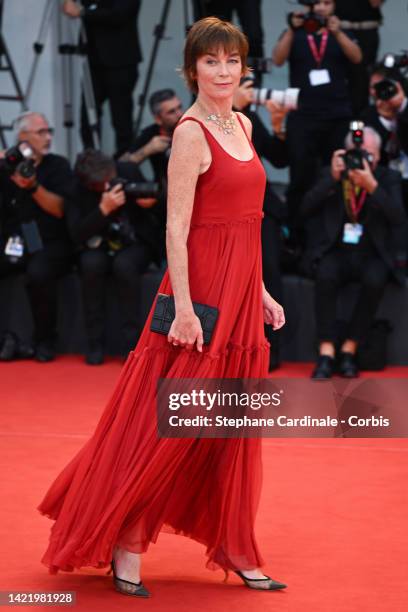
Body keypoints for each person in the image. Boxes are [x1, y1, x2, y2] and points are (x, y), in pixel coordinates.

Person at [38, 17, 286, 596]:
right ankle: (126, 542)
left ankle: (236, 547)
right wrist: (183, 308)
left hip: (242, 290)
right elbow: (178, 228)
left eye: (232, 61)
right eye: (212, 62)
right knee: (170, 426)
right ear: (191, 69)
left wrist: (264, 290)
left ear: (243, 67)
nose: (224, 72)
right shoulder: (191, 132)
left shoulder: (244, 124)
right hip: (198, 296)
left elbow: (248, 226)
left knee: (228, 427)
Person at [299, 127, 406, 379]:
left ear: (379, 156)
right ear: (346, 154)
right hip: (337, 250)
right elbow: (304, 209)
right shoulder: (333, 175)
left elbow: (399, 218)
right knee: (324, 273)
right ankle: (326, 351)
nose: (363, 160)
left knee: (375, 279)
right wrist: (332, 179)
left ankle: (350, 348)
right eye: (357, 154)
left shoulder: (387, 177)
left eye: (369, 154)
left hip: (373, 252)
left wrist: (373, 187)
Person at [272, 0, 362, 241]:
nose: (321, 8)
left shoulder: (340, 31)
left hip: (336, 115)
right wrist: (292, 28)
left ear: (333, 5)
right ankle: (293, 231)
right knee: (299, 174)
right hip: (302, 115)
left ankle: (334, 230)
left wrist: (337, 31)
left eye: (327, 2)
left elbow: (357, 57)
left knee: (335, 172)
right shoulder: (298, 30)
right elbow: (277, 59)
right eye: (317, 3)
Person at [67, 149, 166, 365]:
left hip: (134, 243)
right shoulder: (75, 188)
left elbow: (159, 206)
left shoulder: (128, 170)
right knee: (90, 264)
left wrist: (153, 202)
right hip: (97, 244)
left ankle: (131, 345)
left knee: (125, 265)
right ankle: (95, 344)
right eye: (101, 184)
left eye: (110, 179)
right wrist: (103, 209)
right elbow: (75, 234)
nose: (109, 185)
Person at [0, 112, 74, 362]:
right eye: (41, 132)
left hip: (51, 241)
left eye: (48, 131)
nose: (48, 137)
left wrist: (32, 186)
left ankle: (45, 340)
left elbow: (59, 209)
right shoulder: (6, 166)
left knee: (39, 272)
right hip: (14, 239)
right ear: (22, 138)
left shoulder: (58, 165)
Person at [232, 79, 290, 370]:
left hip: (262, 210)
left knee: (269, 271)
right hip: (228, 213)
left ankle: (270, 348)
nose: (249, 92)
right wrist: (235, 110)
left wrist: (278, 126)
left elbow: (279, 160)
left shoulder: (250, 118)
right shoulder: (204, 120)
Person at [62, 0, 142, 156]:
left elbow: (120, 14)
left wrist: (82, 12)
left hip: (120, 60)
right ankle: (91, 161)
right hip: (93, 59)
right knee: (88, 116)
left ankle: (124, 163)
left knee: (121, 119)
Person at [121, 89, 184, 183]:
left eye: (180, 107)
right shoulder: (151, 134)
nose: (180, 114)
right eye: (171, 112)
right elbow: (120, 166)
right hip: (166, 191)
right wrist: (148, 149)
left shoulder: (194, 126)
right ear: (158, 119)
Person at [336, 0, 386, 114]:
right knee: (336, 77)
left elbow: (375, 2)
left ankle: (360, 122)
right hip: (338, 28)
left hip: (366, 31)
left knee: (362, 82)